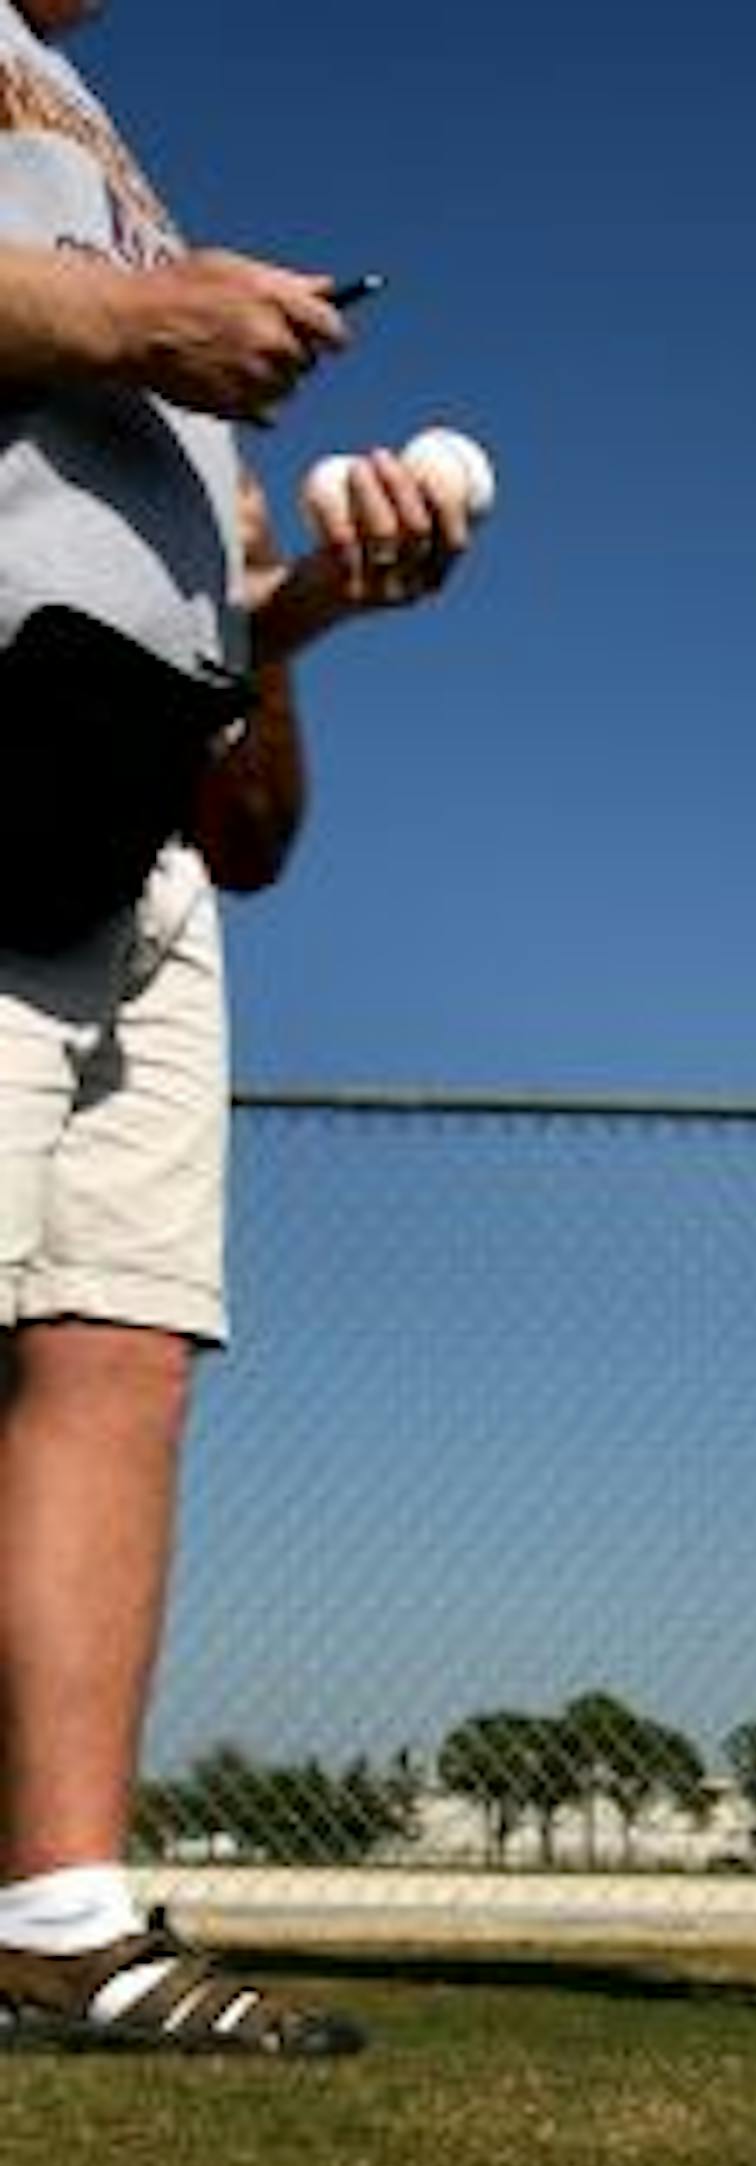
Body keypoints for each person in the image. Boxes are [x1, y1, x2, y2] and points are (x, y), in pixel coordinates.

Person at [0, 0, 478, 2061]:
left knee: (117, 1347)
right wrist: (144, 325)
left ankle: (58, 1912)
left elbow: (241, 706)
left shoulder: (115, 144)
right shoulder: (136, 249)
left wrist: (313, 611)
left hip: (130, 816)